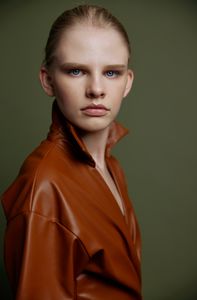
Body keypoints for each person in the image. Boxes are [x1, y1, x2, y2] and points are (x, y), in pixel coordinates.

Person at [1, 5, 142, 300]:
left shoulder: (111, 165)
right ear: (48, 80)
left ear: (127, 82)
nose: (96, 89)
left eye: (111, 72)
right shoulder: (43, 187)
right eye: (76, 71)